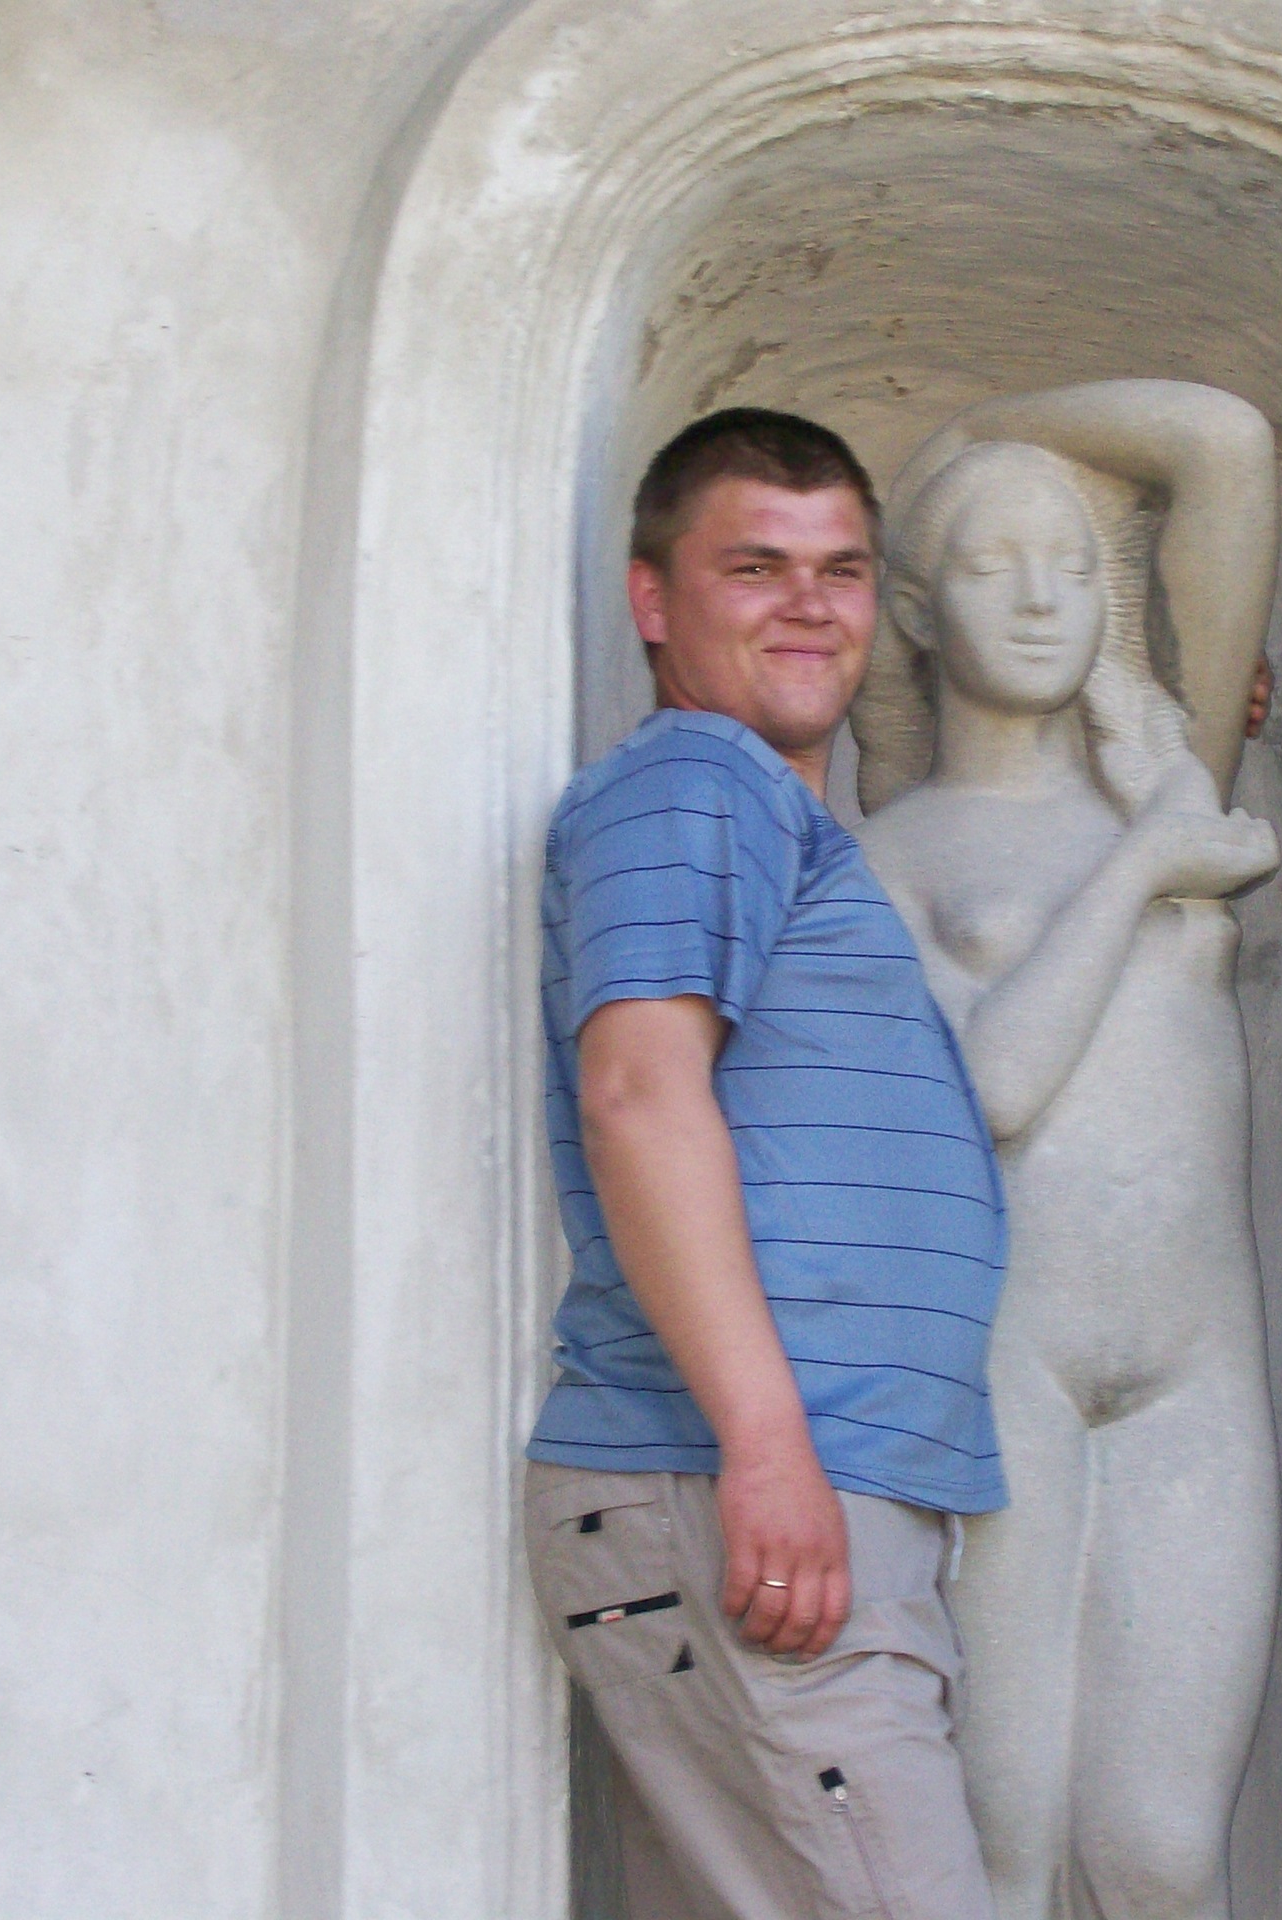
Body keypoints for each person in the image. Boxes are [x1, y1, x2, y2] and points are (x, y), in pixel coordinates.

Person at [524, 409, 1006, 1920]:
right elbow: (638, 1094)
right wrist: (768, 1443)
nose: (808, 603)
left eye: (840, 570)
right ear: (652, 601)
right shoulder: (698, 781)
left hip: (768, 1492)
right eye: (755, 567)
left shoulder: (761, 816)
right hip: (745, 1485)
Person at [852, 380, 1282, 1920]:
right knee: (1006, 1843)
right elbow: (996, 1086)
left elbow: (1222, 445)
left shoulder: (1168, 778)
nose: (1043, 597)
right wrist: (1147, 865)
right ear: (915, 608)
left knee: (1163, 1854)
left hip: (1194, 1363)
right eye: (990, 562)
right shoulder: (889, 848)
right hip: (1002, 1360)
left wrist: (985, 432)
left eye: (1076, 564)